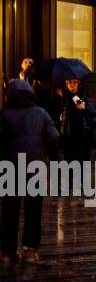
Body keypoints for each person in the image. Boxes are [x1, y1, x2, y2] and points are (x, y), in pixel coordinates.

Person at [0, 79, 59, 263]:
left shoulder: (4, 115)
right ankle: (30, 250)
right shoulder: (41, 113)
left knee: (10, 209)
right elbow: (54, 137)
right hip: (36, 168)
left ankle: (7, 251)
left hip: (10, 168)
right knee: (34, 210)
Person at [58, 77, 96, 163]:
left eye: (74, 82)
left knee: (81, 156)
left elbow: (93, 112)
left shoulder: (83, 95)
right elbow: (57, 111)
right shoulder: (63, 95)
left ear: (78, 83)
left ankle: (80, 175)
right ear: (66, 84)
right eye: (69, 83)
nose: (72, 85)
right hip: (68, 131)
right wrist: (59, 98)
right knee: (68, 156)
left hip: (82, 131)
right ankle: (70, 175)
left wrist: (84, 108)